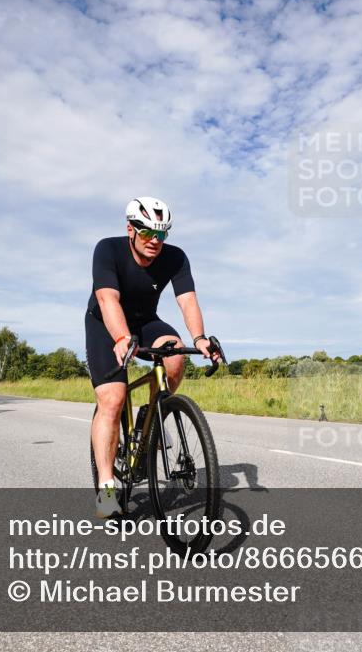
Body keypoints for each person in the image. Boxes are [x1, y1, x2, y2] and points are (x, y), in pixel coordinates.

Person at [86, 196, 221, 518]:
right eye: (147, 232)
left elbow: (187, 300)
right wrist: (121, 338)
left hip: (146, 321)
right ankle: (106, 487)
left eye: (162, 234)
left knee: (175, 354)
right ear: (130, 229)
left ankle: (151, 415)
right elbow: (107, 298)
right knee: (113, 399)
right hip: (106, 324)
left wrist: (200, 338)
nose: (155, 241)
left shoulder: (175, 257)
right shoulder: (108, 249)